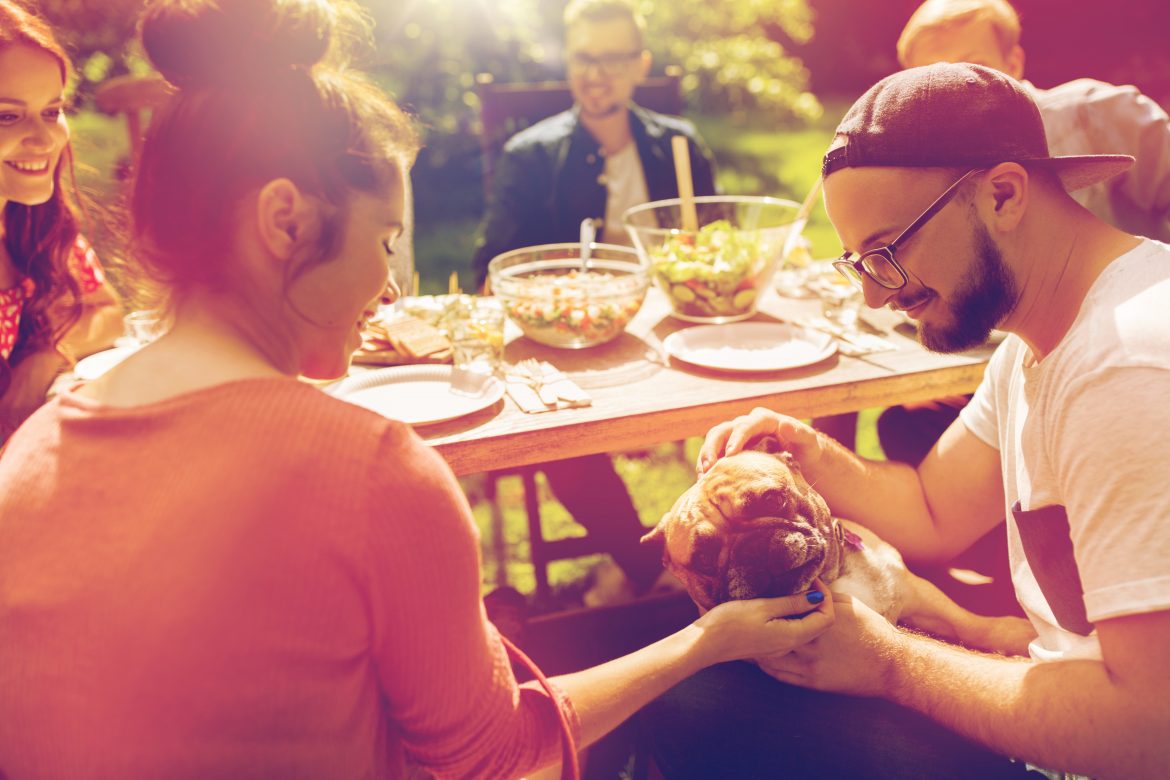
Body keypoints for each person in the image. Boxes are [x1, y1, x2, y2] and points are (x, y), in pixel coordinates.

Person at [0, 1, 834, 777]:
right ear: (284, 222)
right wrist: (705, 640)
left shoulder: (31, 447)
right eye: (387, 241)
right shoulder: (372, 471)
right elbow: (495, 760)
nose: (390, 289)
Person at [643, 63, 1170, 778]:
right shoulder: (1037, 345)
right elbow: (933, 510)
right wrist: (806, 453)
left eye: (886, 252)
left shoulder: (1125, 367)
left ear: (1005, 194)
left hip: (1095, 751)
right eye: (858, 262)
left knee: (690, 706)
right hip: (1072, 708)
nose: (874, 298)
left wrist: (892, 665)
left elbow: (1148, 731)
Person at [876, 0, 1170, 614]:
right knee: (900, 424)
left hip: (1113, 347)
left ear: (1016, 61)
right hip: (1010, 354)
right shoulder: (934, 185)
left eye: (974, 69)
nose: (958, 101)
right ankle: (1043, 600)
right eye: (935, 87)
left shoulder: (1098, 115)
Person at [472, 0, 719, 607]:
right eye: (584, 57)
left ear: (641, 65)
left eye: (612, 58)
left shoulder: (678, 148)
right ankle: (649, 567)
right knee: (562, 435)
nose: (596, 74)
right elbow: (493, 268)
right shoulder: (529, 156)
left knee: (743, 400)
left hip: (669, 337)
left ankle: (726, 548)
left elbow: (712, 249)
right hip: (567, 342)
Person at [0, 0, 122, 442]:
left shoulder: (31, 222)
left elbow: (106, 309)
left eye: (52, 111)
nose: (45, 137)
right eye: (7, 116)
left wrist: (49, 355)